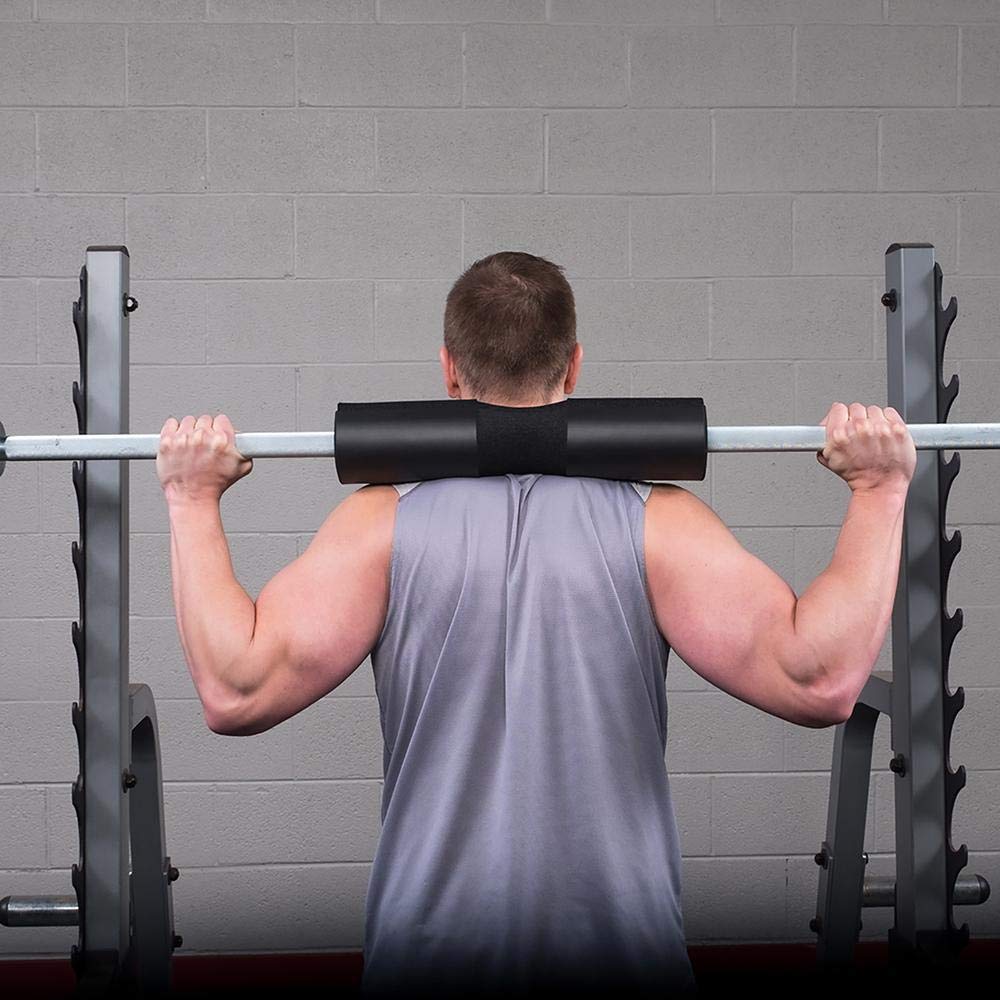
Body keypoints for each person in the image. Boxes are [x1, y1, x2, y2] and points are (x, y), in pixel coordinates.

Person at [156, 251, 917, 999]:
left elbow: (237, 688)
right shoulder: (660, 525)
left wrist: (192, 499)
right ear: (574, 366)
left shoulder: (376, 527)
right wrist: (879, 489)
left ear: (450, 371)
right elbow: (817, 679)